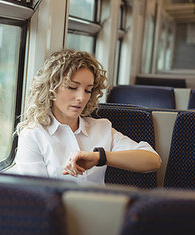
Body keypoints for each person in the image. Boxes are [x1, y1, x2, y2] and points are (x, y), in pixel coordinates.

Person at [15, 49, 161, 185]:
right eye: (72, 87)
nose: (81, 97)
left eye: (88, 90)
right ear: (51, 89)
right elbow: (35, 195)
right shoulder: (33, 135)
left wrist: (100, 157)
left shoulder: (101, 128)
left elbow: (153, 160)